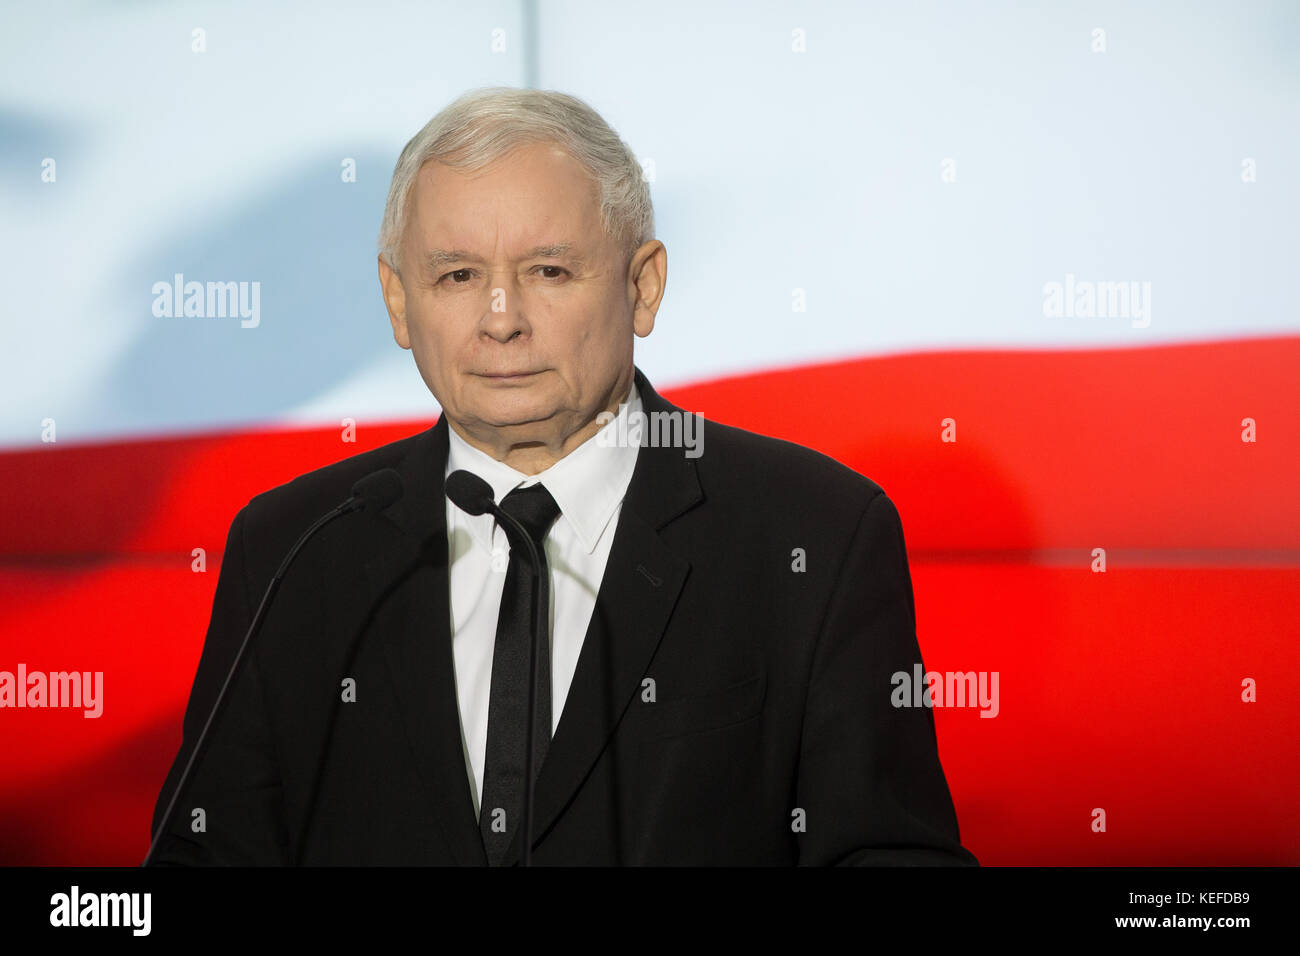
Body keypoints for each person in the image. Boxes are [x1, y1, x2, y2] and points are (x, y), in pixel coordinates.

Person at [148, 86, 977, 866]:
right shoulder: (294, 548)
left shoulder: (813, 535)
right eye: (458, 275)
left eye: (548, 270)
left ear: (642, 286)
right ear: (399, 303)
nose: (501, 320)